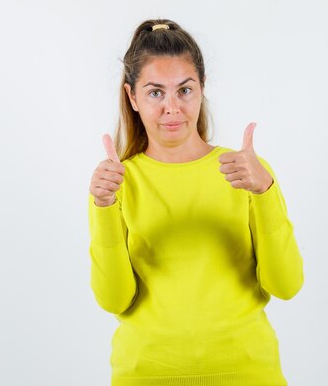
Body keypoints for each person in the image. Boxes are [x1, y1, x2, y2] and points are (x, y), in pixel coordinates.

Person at [87, 19, 304, 386]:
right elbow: (114, 300)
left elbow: (286, 285)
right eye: (155, 92)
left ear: (201, 89)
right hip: (145, 375)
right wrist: (104, 207)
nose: (172, 107)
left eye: (184, 90)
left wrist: (264, 191)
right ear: (132, 98)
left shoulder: (246, 172)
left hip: (248, 374)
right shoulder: (115, 182)